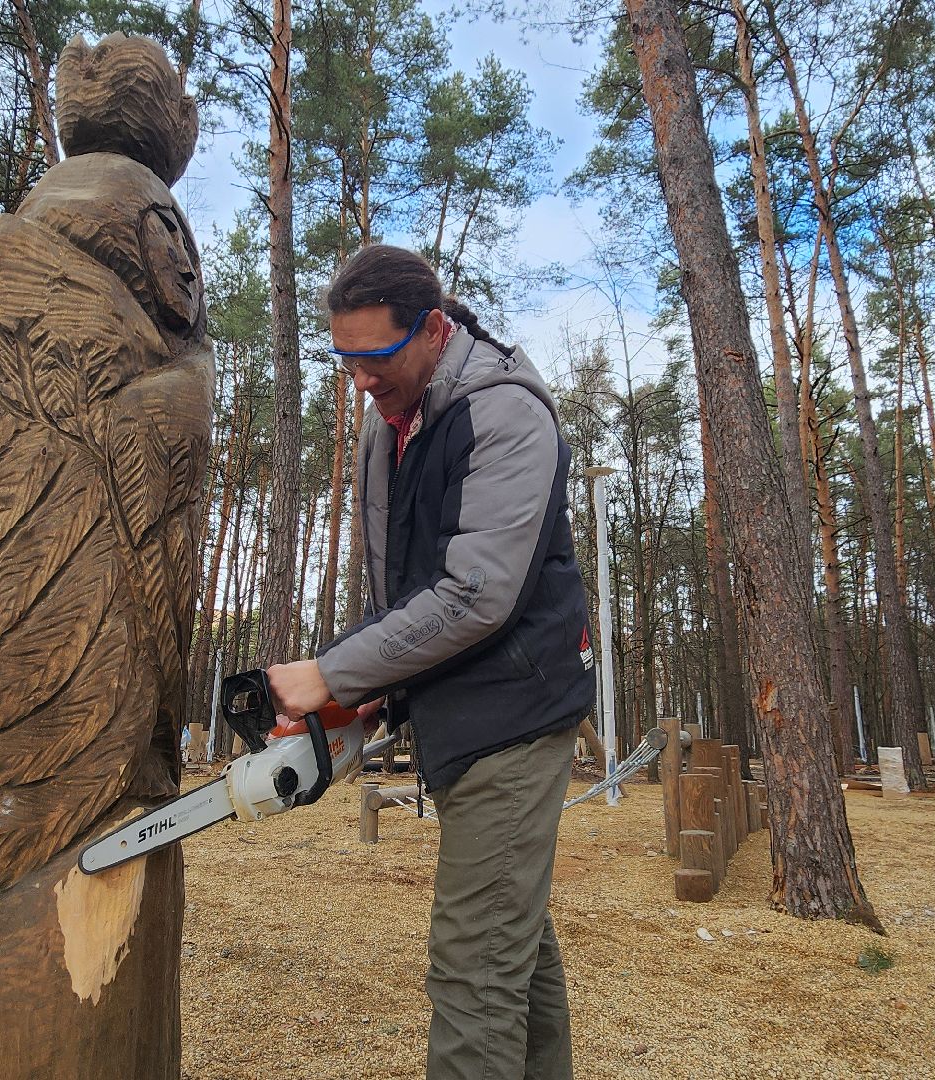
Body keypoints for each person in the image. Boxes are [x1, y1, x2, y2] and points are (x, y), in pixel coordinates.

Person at [266, 245, 595, 1080]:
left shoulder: (505, 412)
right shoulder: (391, 431)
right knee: (515, 949)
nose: (363, 383)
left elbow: (474, 595)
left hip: (516, 715)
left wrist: (332, 673)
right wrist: (369, 694)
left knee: (473, 972)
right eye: (346, 363)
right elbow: (405, 592)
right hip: (461, 714)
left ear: (433, 328)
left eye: (376, 359)